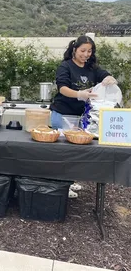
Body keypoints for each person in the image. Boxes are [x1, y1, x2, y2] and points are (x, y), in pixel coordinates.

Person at [50, 35, 117, 198]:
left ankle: (69, 181)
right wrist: (79, 94)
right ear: (74, 50)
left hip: (81, 117)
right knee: (62, 152)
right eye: (83, 50)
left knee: (75, 152)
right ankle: (61, 186)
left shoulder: (92, 68)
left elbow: (105, 76)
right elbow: (62, 88)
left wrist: (109, 78)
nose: (86, 54)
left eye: (89, 51)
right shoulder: (65, 66)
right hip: (63, 113)